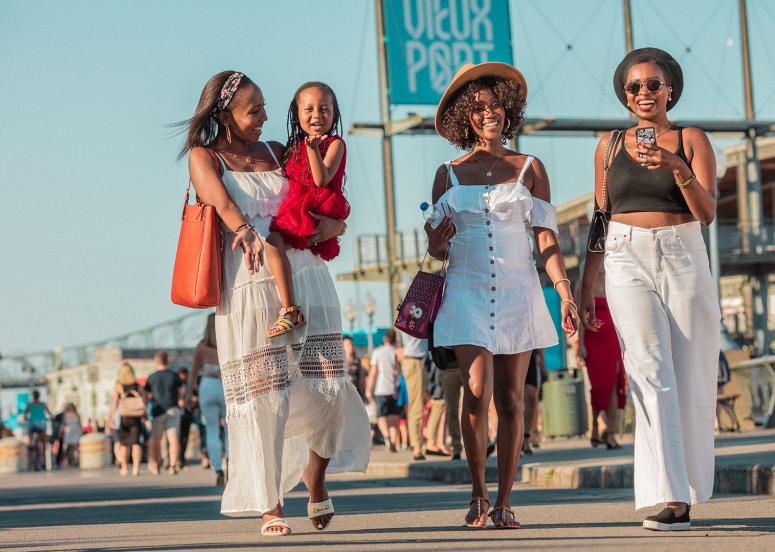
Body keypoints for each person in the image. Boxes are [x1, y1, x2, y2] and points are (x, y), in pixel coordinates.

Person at [180, 71, 369, 536]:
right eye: (255, 109)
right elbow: (224, 205)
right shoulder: (205, 157)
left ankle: (316, 477)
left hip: (308, 274)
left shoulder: (277, 153)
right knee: (266, 397)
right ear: (224, 114)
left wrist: (338, 228)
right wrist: (245, 230)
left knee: (329, 385)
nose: (266, 116)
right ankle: (271, 504)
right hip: (248, 283)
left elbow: (318, 195)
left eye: (265, 107)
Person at [427, 62, 578, 529]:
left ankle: (506, 499)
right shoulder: (447, 174)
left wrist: (565, 290)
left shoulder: (531, 168)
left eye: (495, 105)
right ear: (464, 119)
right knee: (476, 391)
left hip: (519, 292)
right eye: (478, 109)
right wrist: (435, 239)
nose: (488, 113)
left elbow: (546, 238)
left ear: (507, 111)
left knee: (512, 399)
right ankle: (478, 492)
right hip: (465, 290)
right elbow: (434, 248)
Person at [579, 48, 719, 531]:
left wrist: (674, 166)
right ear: (624, 94)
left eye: (653, 85)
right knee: (648, 372)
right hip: (624, 254)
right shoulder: (609, 146)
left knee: (690, 373)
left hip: (682, 250)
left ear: (670, 90)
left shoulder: (691, 138)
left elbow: (707, 211)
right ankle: (671, 497)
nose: (644, 93)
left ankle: (689, 488)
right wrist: (582, 289)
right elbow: (599, 218)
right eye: (634, 86)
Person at [264, 82, 349, 339]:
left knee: (273, 242)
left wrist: (312, 149)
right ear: (296, 113)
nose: (316, 115)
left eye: (325, 109)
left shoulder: (335, 143)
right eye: (309, 109)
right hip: (298, 209)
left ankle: (289, 310)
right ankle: (289, 307)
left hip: (316, 208)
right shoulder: (291, 148)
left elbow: (320, 179)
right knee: (273, 242)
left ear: (334, 113)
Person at [574, 267, 626, 450]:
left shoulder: (614, 282)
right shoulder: (583, 286)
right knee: (598, 388)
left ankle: (611, 433)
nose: (603, 269)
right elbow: (579, 318)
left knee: (613, 386)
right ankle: (595, 425)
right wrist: (579, 345)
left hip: (612, 341)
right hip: (592, 340)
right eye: (600, 264)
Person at [189, 313, 228, 487]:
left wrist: (188, 394)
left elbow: (193, 373)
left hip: (207, 385)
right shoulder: (228, 343)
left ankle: (218, 469)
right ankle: (231, 464)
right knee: (230, 428)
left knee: (211, 430)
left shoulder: (201, 347)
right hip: (226, 385)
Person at [144, 351, 184, 475]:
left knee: (156, 438)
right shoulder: (174, 375)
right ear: (167, 361)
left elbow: (147, 395)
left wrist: (147, 407)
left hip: (158, 410)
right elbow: (181, 392)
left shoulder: (152, 377)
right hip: (173, 408)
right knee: (173, 438)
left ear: (156, 362)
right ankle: (173, 465)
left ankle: (155, 464)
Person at [107, 363, 147, 476]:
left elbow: (114, 404)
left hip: (124, 417)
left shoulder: (119, 386)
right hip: (136, 417)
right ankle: (136, 468)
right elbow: (144, 402)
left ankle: (124, 467)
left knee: (124, 444)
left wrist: (110, 418)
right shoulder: (138, 386)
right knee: (136, 443)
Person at [366, 330, 401, 453]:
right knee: (393, 418)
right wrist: (396, 387)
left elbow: (373, 372)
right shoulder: (396, 352)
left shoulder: (377, 352)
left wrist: (369, 389)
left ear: (385, 339)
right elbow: (397, 372)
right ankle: (393, 442)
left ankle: (387, 438)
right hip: (393, 389)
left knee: (381, 417)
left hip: (381, 389)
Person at [399, 332, 429, 461]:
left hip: (417, 361)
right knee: (416, 406)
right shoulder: (415, 313)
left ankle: (419, 442)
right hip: (414, 360)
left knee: (421, 404)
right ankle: (417, 446)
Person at [424, 356, 450, 457]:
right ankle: (432, 443)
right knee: (438, 411)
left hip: (436, 385)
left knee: (439, 412)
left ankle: (436, 443)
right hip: (438, 386)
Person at [521, 350, 544, 455]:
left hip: (528, 350)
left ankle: (526, 437)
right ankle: (513, 438)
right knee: (511, 400)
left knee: (531, 397)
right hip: (506, 348)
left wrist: (542, 363)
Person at [24, 390, 51, 471]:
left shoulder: (29, 404)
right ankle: (44, 464)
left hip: (32, 425)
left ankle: (31, 444)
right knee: (44, 444)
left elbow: (25, 415)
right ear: (39, 396)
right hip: (42, 425)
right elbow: (49, 414)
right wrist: (51, 417)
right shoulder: (43, 404)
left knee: (30, 441)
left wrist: (26, 418)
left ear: (33, 396)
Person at [177, 367, 194, 469]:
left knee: (184, 438)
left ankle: (181, 458)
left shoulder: (189, 385)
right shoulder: (177, 384)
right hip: (179, 413)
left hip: (186, 413)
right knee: (177, 438)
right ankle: (177, 458)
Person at [343, 336, 366, 400]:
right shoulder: (340, 362)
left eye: (351, 344)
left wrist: (363, 393)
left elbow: (361, 379)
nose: (351, 347)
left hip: (356, 394)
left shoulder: (357, 361)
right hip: (344, 394)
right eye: (348, 345)